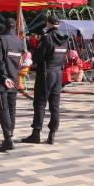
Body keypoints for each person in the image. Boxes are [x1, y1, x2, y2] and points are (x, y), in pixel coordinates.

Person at [22, 16, 68, 145]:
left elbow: (38, 56)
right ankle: (52, 134)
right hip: (58, 72)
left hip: (46, 73)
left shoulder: (47, 37)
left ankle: (36, 133)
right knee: (55, 106)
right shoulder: (65, 38)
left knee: (40, 103)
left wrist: (34, 54)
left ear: (49, 23)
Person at [0, 18, 23, 152]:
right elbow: (18, 61)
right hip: (14, 79)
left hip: (2, 80)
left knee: (3, 109)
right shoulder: (19, 41)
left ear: (4, 26)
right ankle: (9, 136)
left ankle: (8, 138)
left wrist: (4, 77)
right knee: (11, 109)